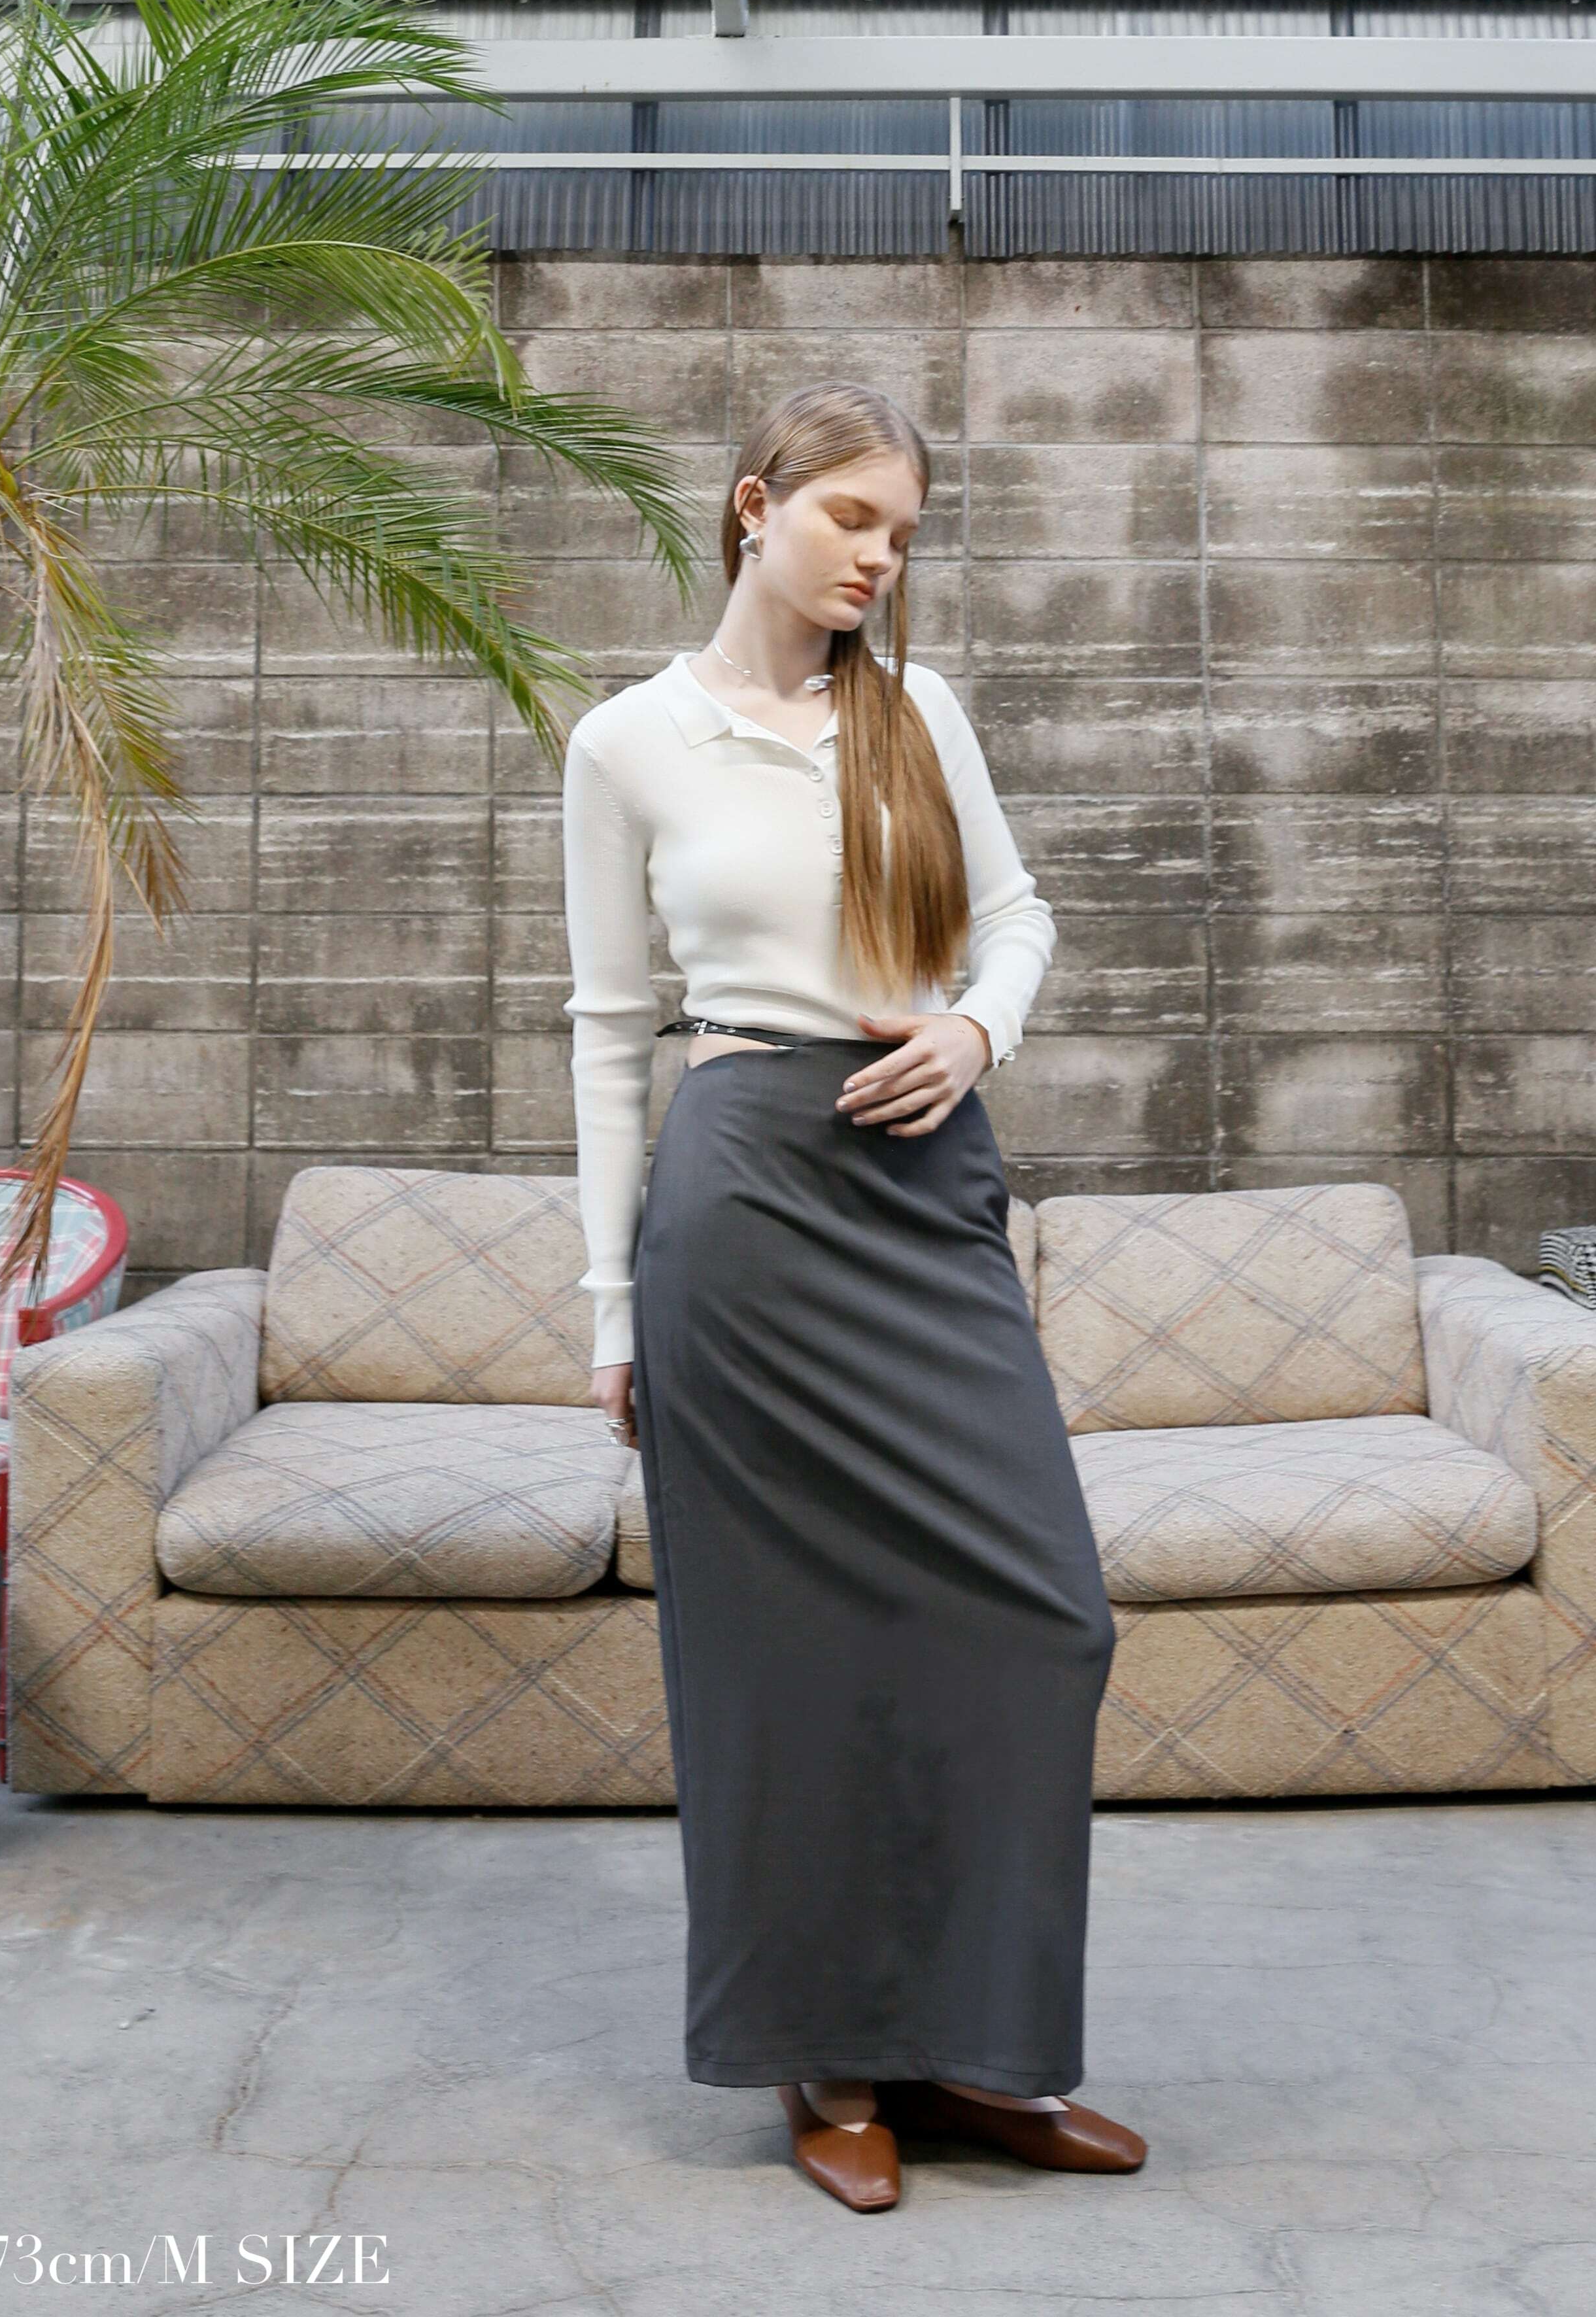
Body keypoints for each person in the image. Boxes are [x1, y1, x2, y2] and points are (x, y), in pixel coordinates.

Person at [560, 380, 1146, 2212]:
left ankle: (976, 2050)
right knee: (784, 1659)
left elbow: (1018, 917)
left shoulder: (917, 714)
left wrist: (975, 1031)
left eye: (903, 534)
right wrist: (607, 1311)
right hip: (741, 1199)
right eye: (852, 520)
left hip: (922, 1181)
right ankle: (829, 2059)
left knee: (1044, 1616)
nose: (881, 559)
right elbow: (606, 1033)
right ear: (757, 505)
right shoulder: (628, 743)